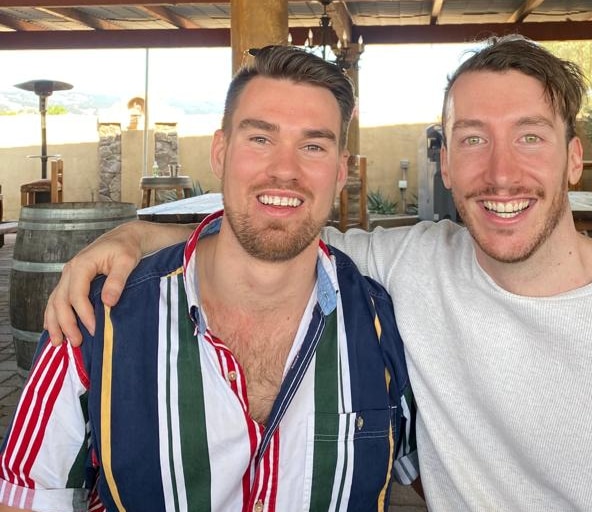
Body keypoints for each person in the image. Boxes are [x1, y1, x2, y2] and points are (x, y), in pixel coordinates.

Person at [44, 35, 592, 511]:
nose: (501, 172)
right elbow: (275, 236)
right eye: (472, 141)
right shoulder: (409, 268)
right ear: (445, 164)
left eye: (531, 138)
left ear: (573, 160)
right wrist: (136, 237)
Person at [0, 45, 417, 512]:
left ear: (340, 171)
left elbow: (432, 476)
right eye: (260, 138)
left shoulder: (384, 324)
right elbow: (26, 496)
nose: (285, 169)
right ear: (220, 152)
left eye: (313, 146)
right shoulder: (97, 317)